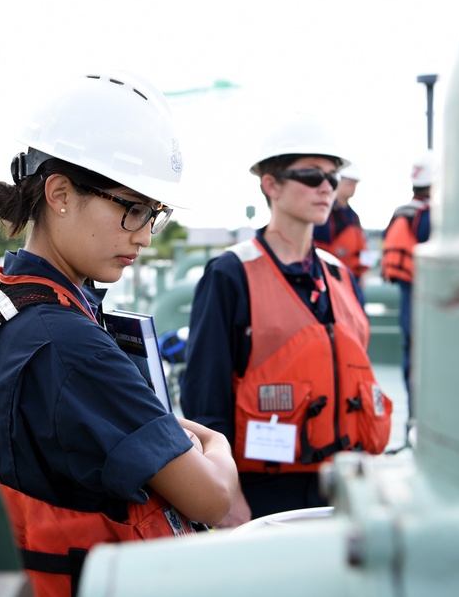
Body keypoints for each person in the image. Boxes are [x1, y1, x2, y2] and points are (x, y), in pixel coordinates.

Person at [0, 71, 238, 597]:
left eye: (155, 214)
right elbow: (214, 497)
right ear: (59, 193)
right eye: (132, 209)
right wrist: (213, 441)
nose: (146, 236)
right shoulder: (67, 345)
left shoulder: (13, 301)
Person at [180, 113, 393, 528]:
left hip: (343, 486)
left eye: (332, 177)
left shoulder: (339, 275)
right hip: (262, 493)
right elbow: (206, 399)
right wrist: (228, 498)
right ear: (271, 185)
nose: (327, 187)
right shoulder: (230, 274)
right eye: (311, 176)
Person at [381, 153, 433, 429]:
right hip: (425, 296)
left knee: (409, 355)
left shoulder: (402, 212)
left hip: (406, 292)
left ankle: (413, 415)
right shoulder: (429, 216)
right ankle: (422, 416)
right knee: (426, 356)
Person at [313, 163, 369, 305]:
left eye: (355, 183)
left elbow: (362, 247)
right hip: (333, 280)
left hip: (354, 279)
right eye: (350, 183)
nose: (353, 187)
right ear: (338, 181)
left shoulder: (354, 217)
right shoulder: (325, 215)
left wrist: (364, 272)